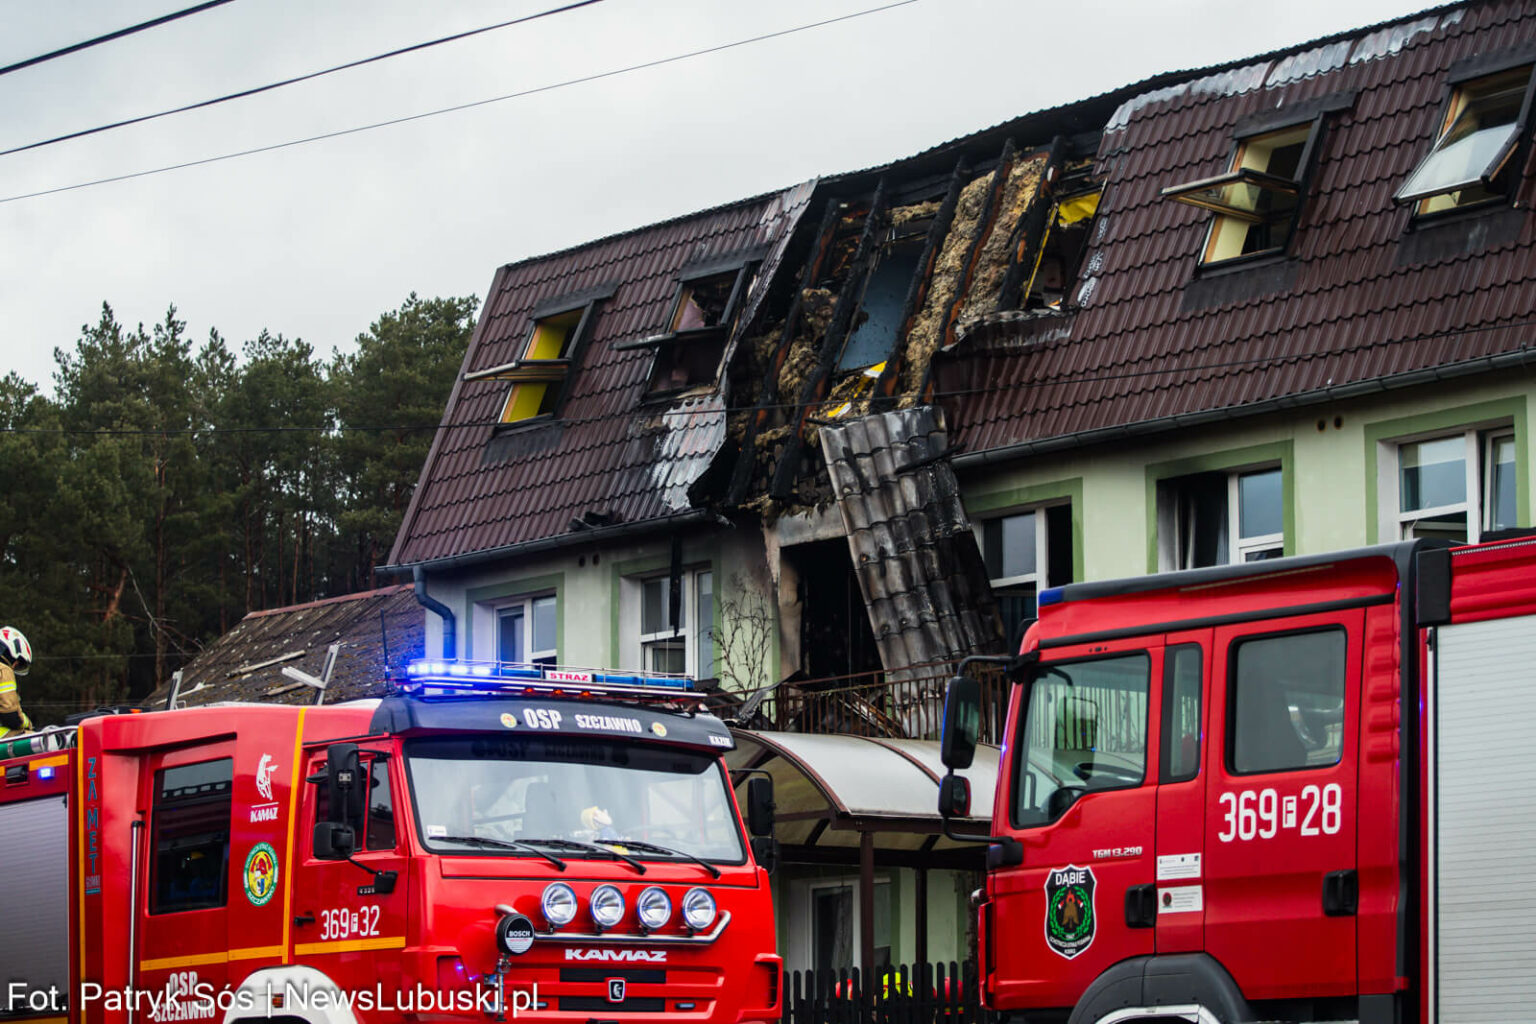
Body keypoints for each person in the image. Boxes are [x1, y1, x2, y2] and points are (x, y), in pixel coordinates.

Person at [0, 627, 33, 740]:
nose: (14, 667)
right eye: (17, 663)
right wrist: (27, 723)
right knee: (43, 742)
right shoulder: (3, 669)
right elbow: (10, 716)